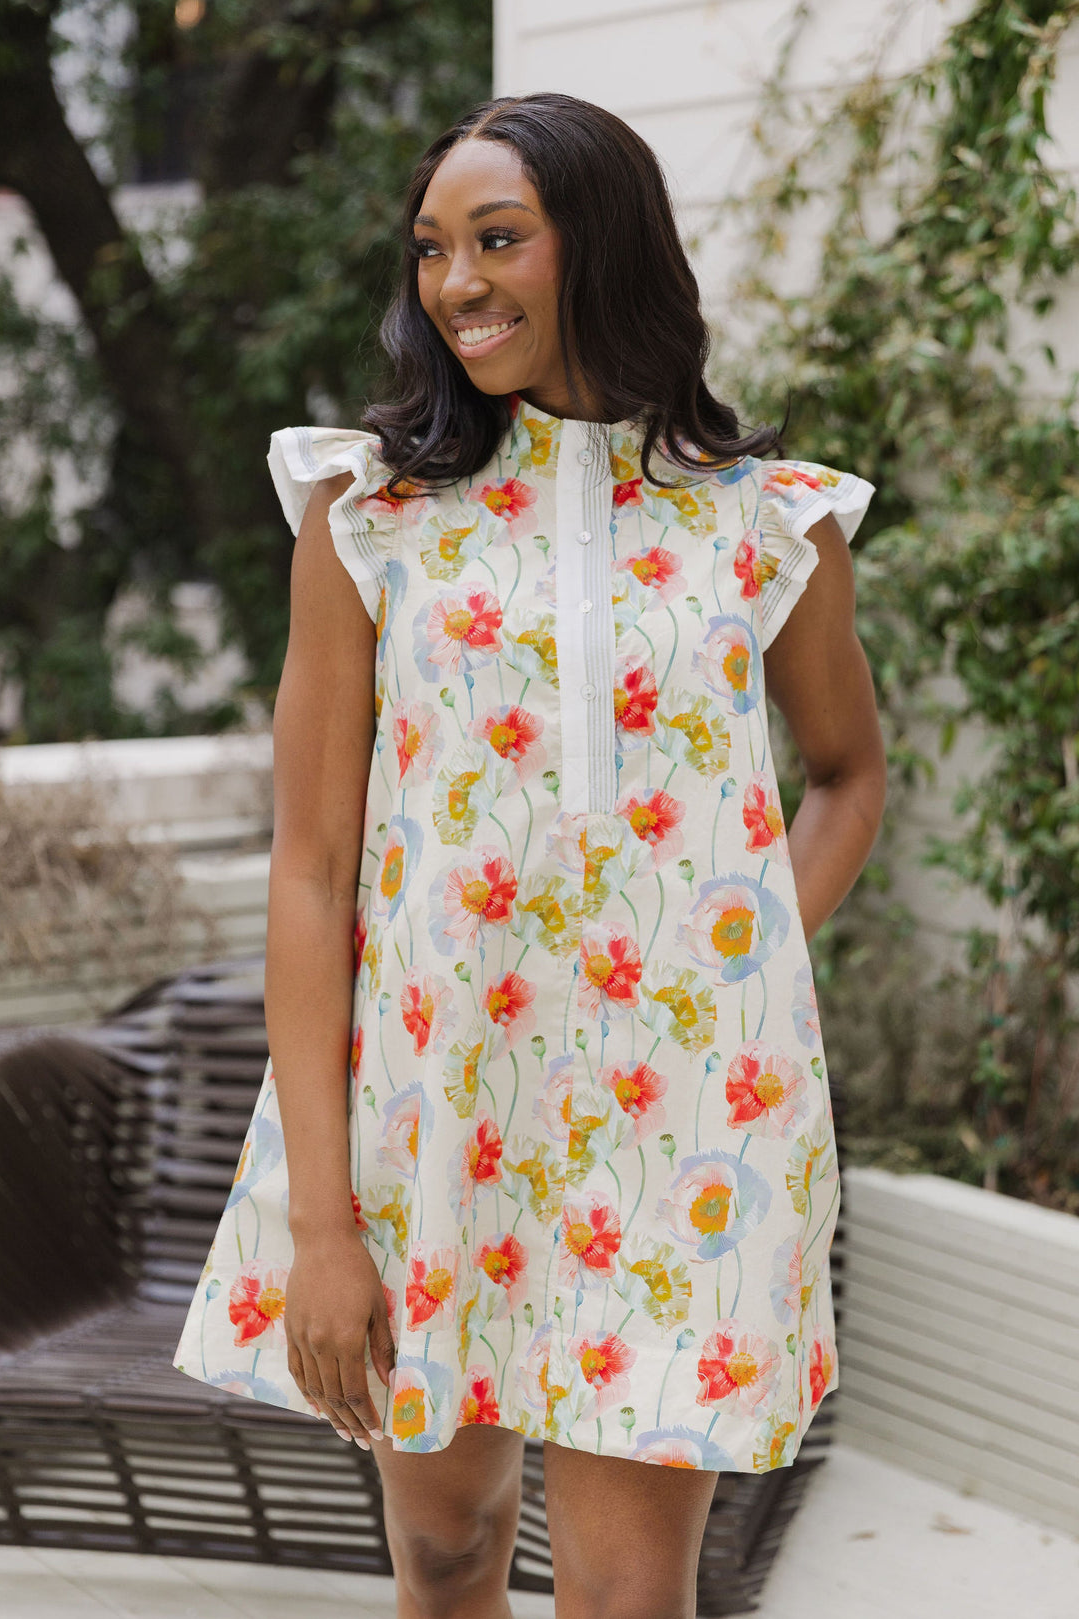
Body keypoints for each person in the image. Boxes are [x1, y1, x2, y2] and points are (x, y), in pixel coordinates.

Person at [174, 91, 888, 1619]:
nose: (457, 283)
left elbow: (848, 775)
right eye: (433, 248)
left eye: (499, 239)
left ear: (603, 242)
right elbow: (310, 865)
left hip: (683, 1138)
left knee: (630, 1601)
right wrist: (321, 1223)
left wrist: (748, 964)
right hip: (436, 1125)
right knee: (446, 1559)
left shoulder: (768, 523)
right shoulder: (370, 516)